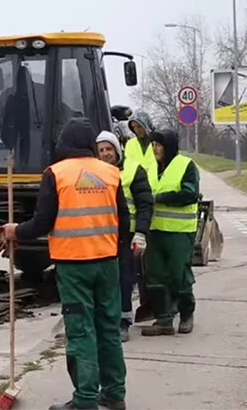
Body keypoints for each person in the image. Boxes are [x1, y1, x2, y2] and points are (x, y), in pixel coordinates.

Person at [0, 119, 129, 410]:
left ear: (63, 144)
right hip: (106, 263)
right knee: (108, 328)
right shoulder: (110, 173)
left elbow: (43, 222)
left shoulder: (56, 174)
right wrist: (115, 255)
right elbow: (124, 222)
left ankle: (86, 400)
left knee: (81, 331)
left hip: (74, 265)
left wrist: (16, 231)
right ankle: (114, 395)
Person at [95, 130, 154, 343]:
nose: (105, 154)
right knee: (103, 280)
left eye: (109, 149)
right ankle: (106, 321)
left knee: (124, 279)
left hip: (126, 235)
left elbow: (145, 204)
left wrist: (140, 233)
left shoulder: (132, 170)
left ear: (117, 150)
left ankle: (123, 322)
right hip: (102, 234)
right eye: (101, 150)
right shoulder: (94, 172)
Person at [141, 129, 199, 337]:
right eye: (153, 144)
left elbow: (190, 193)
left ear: (169, 146)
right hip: (155, 231)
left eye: (159, 144)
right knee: (155, 276)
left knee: (179, 275)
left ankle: (186, 314)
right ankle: (164, 319)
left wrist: (161, 197)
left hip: (179, 231)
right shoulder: (149, 168)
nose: (155, 148)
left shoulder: (185, 165)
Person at [122, 111, 157, 322]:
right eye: (133, 127)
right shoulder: (131, 146)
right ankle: (145, 303)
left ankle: (156, 303)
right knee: (137, 265)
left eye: (139, 126)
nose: (137, 130)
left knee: (150, 264)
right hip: (139, 197)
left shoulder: (156, 143)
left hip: (153, 194)